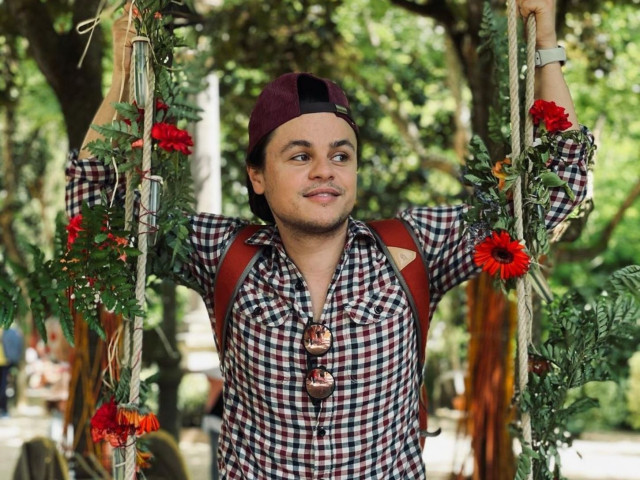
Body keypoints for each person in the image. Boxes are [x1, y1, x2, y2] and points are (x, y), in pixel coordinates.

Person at [66, 1, 593, 477]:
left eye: (341, 155)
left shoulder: (414, 249)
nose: (325, 171)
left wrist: (545, 39)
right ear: (257, 175)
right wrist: (123, 73)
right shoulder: (223, 253)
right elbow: (92, 212)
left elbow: (558, 191)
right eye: (300, 156)